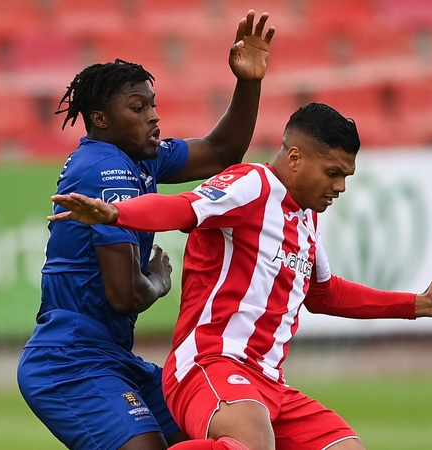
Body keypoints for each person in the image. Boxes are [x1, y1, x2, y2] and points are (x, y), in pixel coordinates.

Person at [48, 103, 432, 450]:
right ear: (294, 157)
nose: (340, 188)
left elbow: (324, 294)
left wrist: (418, 304)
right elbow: (183, 209)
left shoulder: (305, 219)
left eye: (346, 177)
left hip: (268, 382)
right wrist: (117, 212)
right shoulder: (251, 184)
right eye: (333, 173)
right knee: (253, 444)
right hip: (210, 364)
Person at [16, 10, 275, 450]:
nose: (154, 116)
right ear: (100, 118)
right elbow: (124, 294)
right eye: (138, 108)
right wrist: (157, 282)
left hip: (113, 356)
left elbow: (219, 151)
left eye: (153, 104)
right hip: (70, 360)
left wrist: (248, 81)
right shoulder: (105, 171)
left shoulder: (139, 158)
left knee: (225, 431)